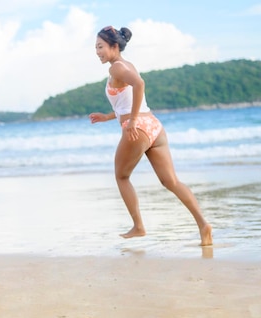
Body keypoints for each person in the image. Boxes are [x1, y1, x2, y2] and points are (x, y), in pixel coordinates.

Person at [89, 26, 212, 246]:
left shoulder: (116, 68)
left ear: (114, 46)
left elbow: (139, 84)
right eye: (96, 47)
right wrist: (107, 117)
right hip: (154, 126)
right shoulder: (127, 65)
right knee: (171, 181)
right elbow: (125, 100)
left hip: (137, 127)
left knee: (121, 176)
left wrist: (133, 121)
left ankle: (138, 226)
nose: (97, 51)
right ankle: (203, 224)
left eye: (100, 47)